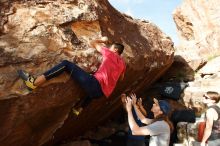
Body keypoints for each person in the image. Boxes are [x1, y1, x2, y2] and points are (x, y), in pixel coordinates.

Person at [18, 36, 126, 115]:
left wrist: (101, 40)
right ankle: (78, 109)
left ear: (115, 50)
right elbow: (122, 78)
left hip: (93, 85)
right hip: (99, 94)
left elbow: (91, 41)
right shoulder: (123, 64)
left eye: (111, 47)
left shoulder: (109, 53)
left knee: (66, 64)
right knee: (93, 82)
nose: (109, 48)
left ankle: (33, 83)